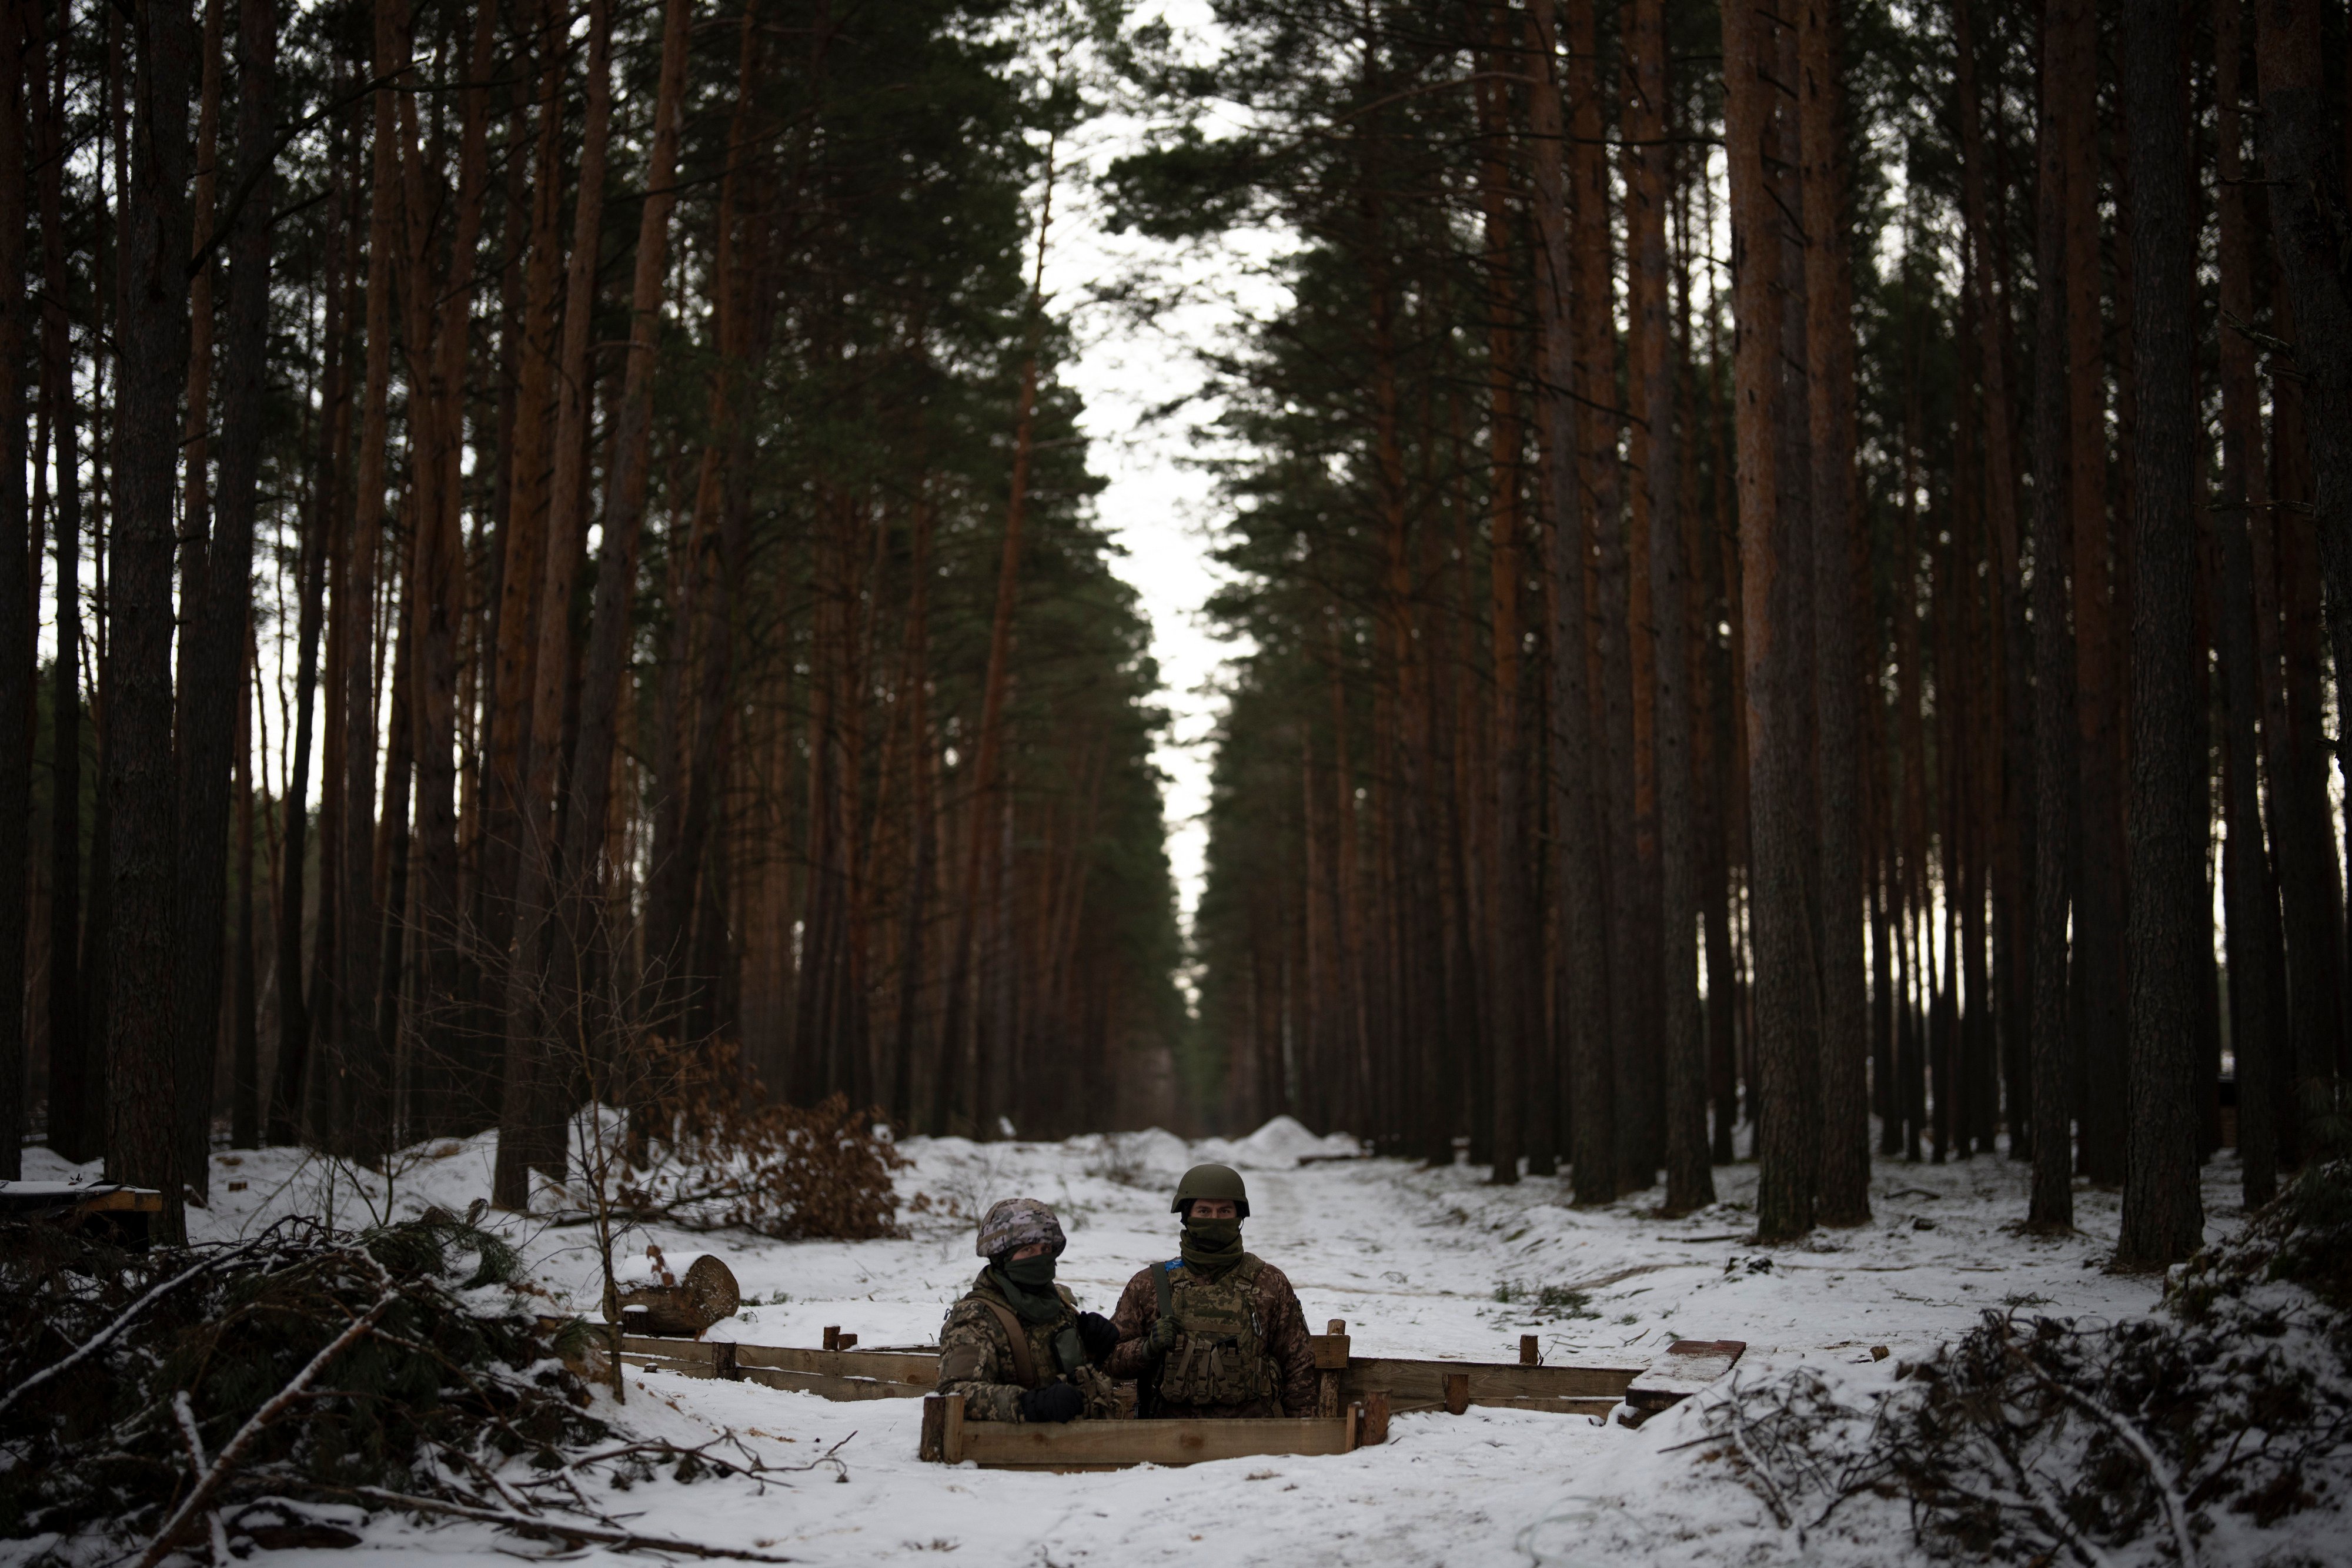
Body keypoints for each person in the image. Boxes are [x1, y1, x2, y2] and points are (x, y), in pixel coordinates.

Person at [1104, 1163, 1317, 1417]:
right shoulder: (1150, 1284)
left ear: (1239, 1217)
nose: (1214, 1219)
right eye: (1204, 1211)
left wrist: (1304, 1440)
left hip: (1254, 1443)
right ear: (1186, 1216)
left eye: (1224, 1211)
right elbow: (1109, 1359)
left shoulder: (1269, 1283)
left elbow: (1299, 1368)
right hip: (1165, 1440)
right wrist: (1147, 1348)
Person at [936, 1197, 1125, 1423]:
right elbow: (953, 1394)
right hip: (1018, 1451)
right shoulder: (976, 1317)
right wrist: (1028, 1404)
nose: (1040, 1258)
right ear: (1001, 1257)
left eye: (1045, 1249)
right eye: (1028, 1249)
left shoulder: (1057, 1304)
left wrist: (1093, 1350)